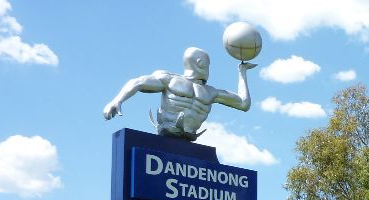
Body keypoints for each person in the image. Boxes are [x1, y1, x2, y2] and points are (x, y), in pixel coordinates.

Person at [103, 47, 255, 140]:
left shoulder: (211, 92)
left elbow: (243, 104)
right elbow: (139, 82)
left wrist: (242, 73)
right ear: (200, 63)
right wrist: (117, 100)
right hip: (167, 130)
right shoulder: (170, 79)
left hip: (191, 136)